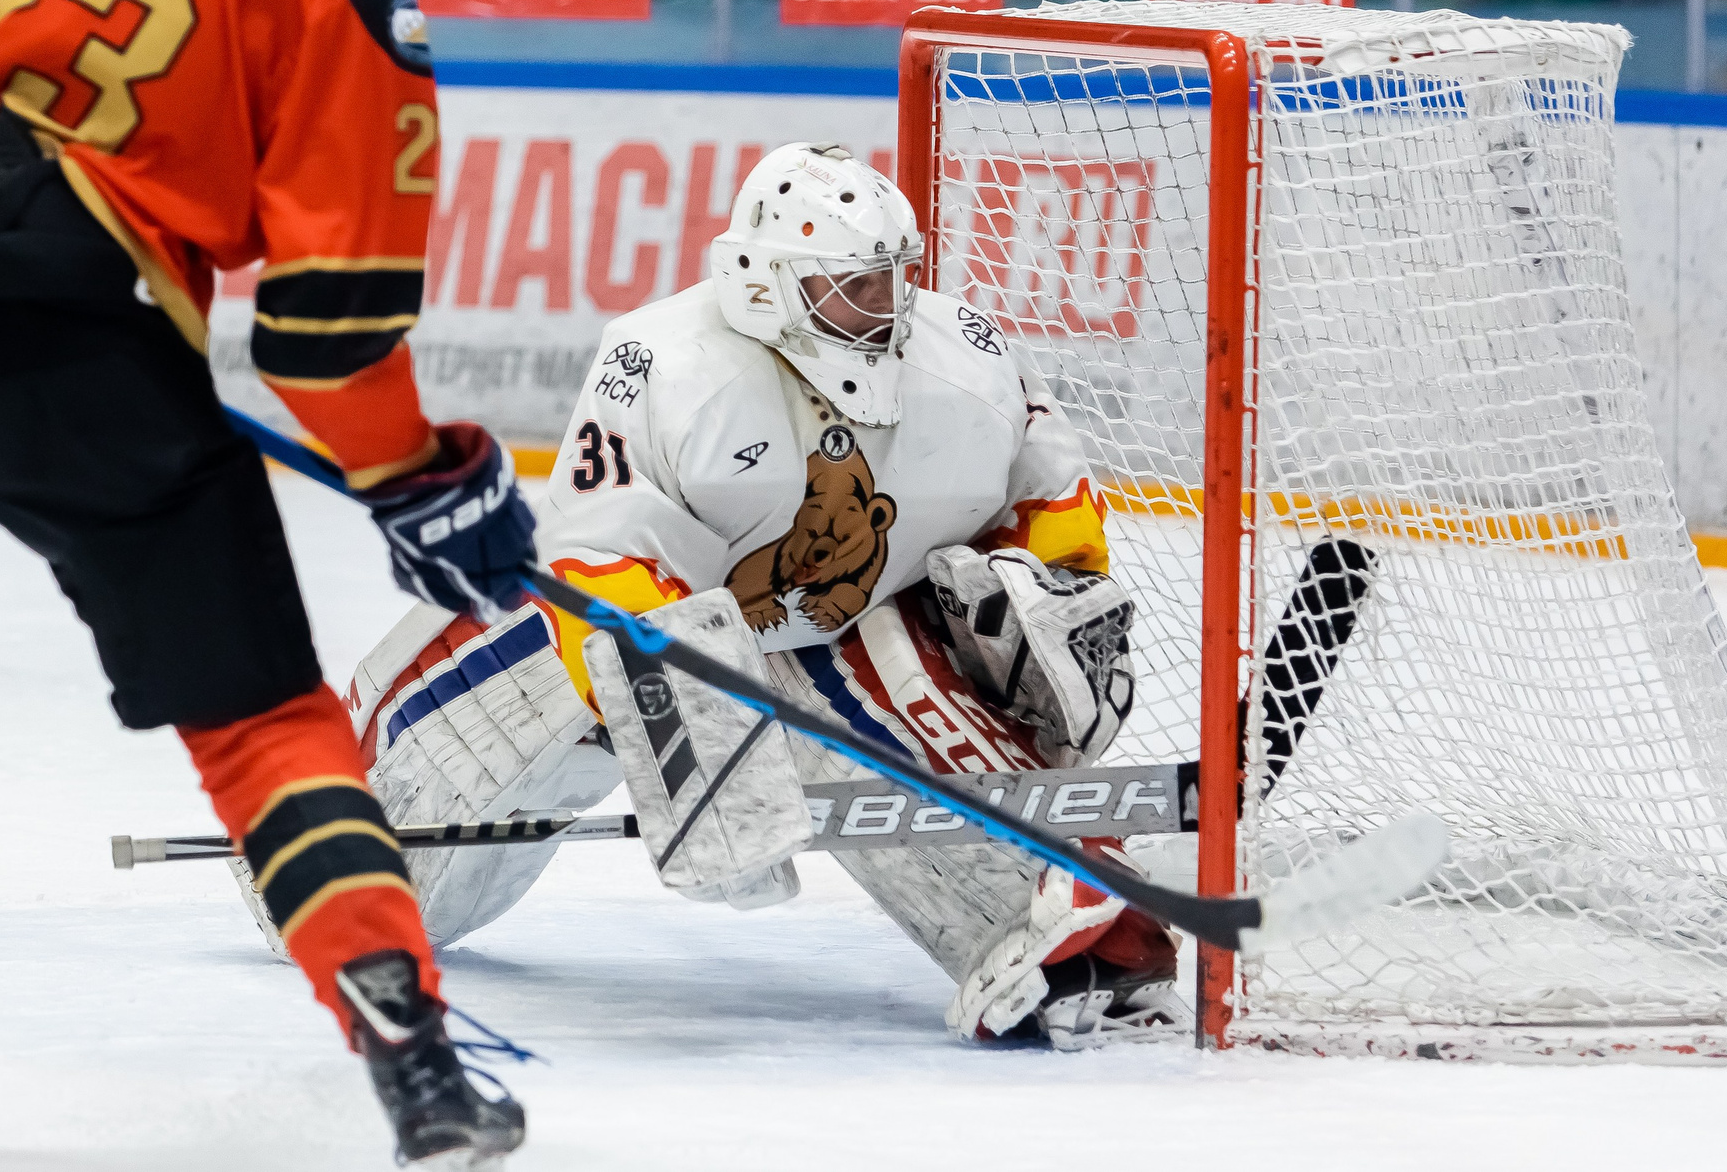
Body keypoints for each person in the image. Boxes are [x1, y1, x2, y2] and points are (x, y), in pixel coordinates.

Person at [0, 0, 536, 1166]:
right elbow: (327, 330)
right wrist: (424, 476)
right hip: (95, 351)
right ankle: (411, 1053)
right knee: (267, 723)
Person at [340, 142, 1191, 1048]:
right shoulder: (664, 361)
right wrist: (696, 745)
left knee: (907, 699)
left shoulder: (970, 357)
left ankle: (1085, 933)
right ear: (762, 280)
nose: (888, 306)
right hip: (624, 635)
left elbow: (1048, 500)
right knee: (396, 871)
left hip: (848, 621)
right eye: (852, 285)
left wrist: (1046, 599)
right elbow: (597, 569)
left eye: (895, 278)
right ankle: (337, 847)